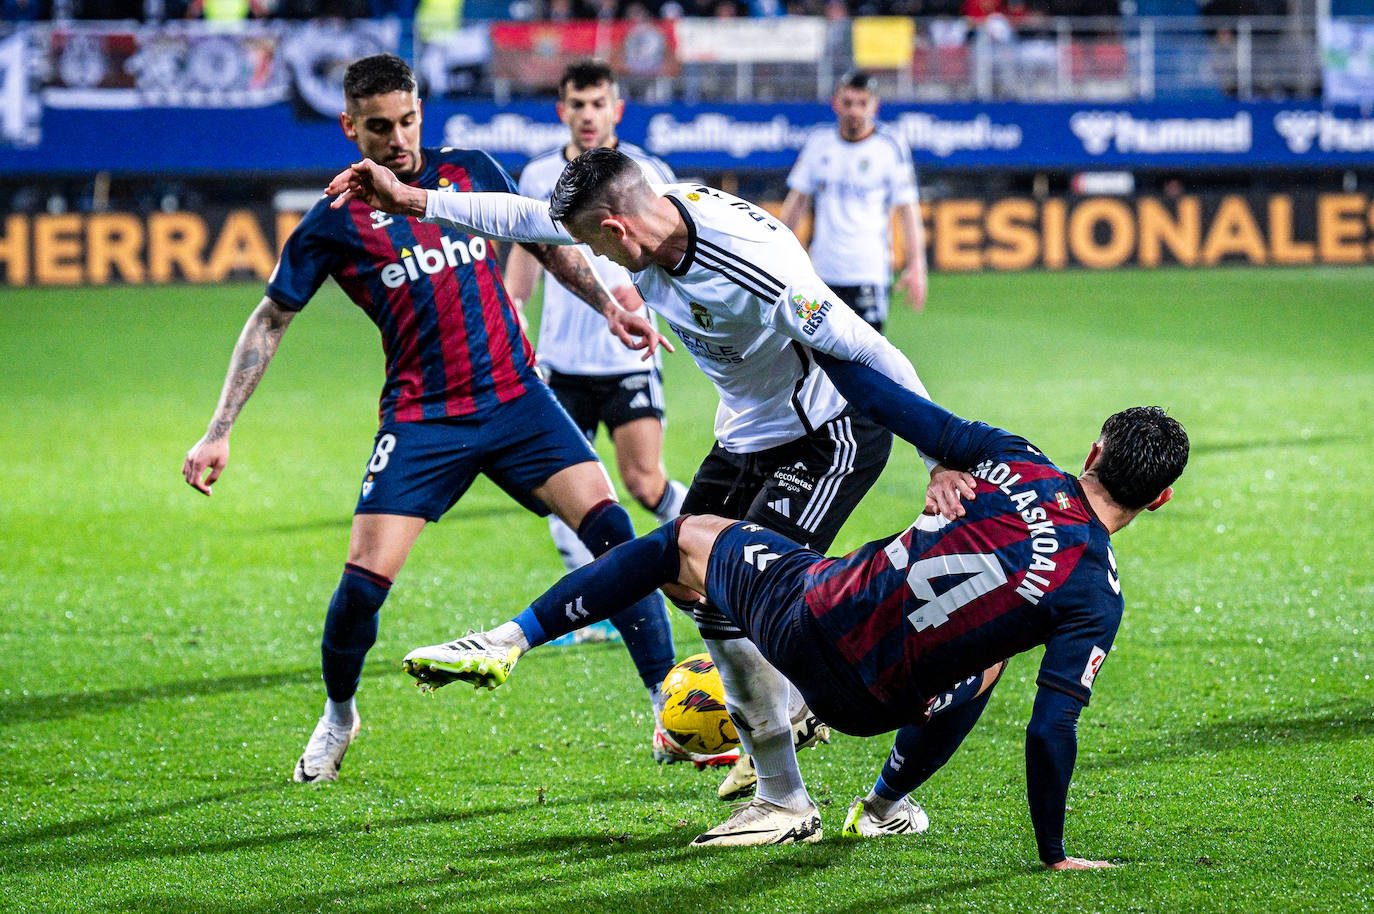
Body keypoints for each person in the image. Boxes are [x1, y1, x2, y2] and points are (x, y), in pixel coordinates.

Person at [325, 147, 976, 843]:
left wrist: (941, 456)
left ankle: (810, 778)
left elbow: (875, 352)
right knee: (700, 595)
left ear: (618, 228)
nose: (585, 252)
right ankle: (786, 755)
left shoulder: (760, 272)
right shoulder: (649, 213)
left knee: (739, 600)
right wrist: (416, 201)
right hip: (747, 434)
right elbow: (526, 218)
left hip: (828, 434)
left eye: (590, 241)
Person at [401, 362, 1189, 861]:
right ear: (1159, 500)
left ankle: (511, 638)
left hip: (807, 617)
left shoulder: (1012, 459)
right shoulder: (1096, 595)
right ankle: (880, 807)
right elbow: (1052, 730)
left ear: (1090, 454)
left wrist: (817, 335)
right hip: (869, 705)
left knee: (689, 536)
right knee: (989, 656)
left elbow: (886, 396)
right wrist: (1052, 853)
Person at [182, 54, 681, 785]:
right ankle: (340, 713)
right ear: (351, 128)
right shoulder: (331, 223)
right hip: (424, 420)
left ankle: (667, 704)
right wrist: (220, 428)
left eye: (408, 120)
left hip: (517, 400)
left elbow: (543, 245)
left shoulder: (469, 171)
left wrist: (610, 306)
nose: (398, 139)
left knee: (615, 537)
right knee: (360, 588)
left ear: (421, 112)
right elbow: (270, 320)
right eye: (378, 127)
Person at [504, 61, 689, 644]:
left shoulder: (646, 173)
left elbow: (671, 255)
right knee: (566, 491)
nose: (587, 115)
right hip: (560, 361)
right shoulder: (537, 174)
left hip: (628, 358)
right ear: (562, 110)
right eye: (576, 105)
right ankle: (590, 603)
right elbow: (523, 268)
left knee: (643, 481)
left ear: (616, 110)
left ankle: (713, 550)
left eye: (597, 104)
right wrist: (516, 333)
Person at [780, 70, 928, 333]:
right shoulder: (819, 142)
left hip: (869, 270)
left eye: (862, 103)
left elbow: (907, 209)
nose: (854, 111)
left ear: (875, 106)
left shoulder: (889, 146)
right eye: (847, 103)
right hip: (822, 272)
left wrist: (917, 265)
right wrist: (779, 254)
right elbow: (797, 202)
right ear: (835, 103)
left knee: (867, 356)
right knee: (818, 359)